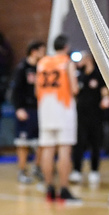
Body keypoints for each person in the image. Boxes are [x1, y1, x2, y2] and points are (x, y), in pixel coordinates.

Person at [35, 35, 80, 203]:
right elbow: (74, 88)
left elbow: (36, 90)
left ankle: (49, 188)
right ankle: (64, 189)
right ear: (66, 47)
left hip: (45, 108)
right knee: (64, 149)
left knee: (47, 149)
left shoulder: (42, 63)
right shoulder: (67, 63)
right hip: (64, 108)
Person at [11, 41, 44, 185]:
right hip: (26, 109)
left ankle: (37, 167)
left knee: (42, 142)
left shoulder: (42, 67)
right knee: (23, 143)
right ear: (34, 51)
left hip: (40, 109)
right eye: (42, 50)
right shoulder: (22, 68)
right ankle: (22, 170)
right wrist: (18, 108)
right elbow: (15, 90)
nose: (44, 53)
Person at [72, 52, 105, 188]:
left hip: (96, 115)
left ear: (88, 59)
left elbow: (104, 91)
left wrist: (106, 99)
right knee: (79, 143)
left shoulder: (98, 74)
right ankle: (77, 170)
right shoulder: (78, 75)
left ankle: (94, 170)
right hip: (80, 115)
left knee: (95, 143)